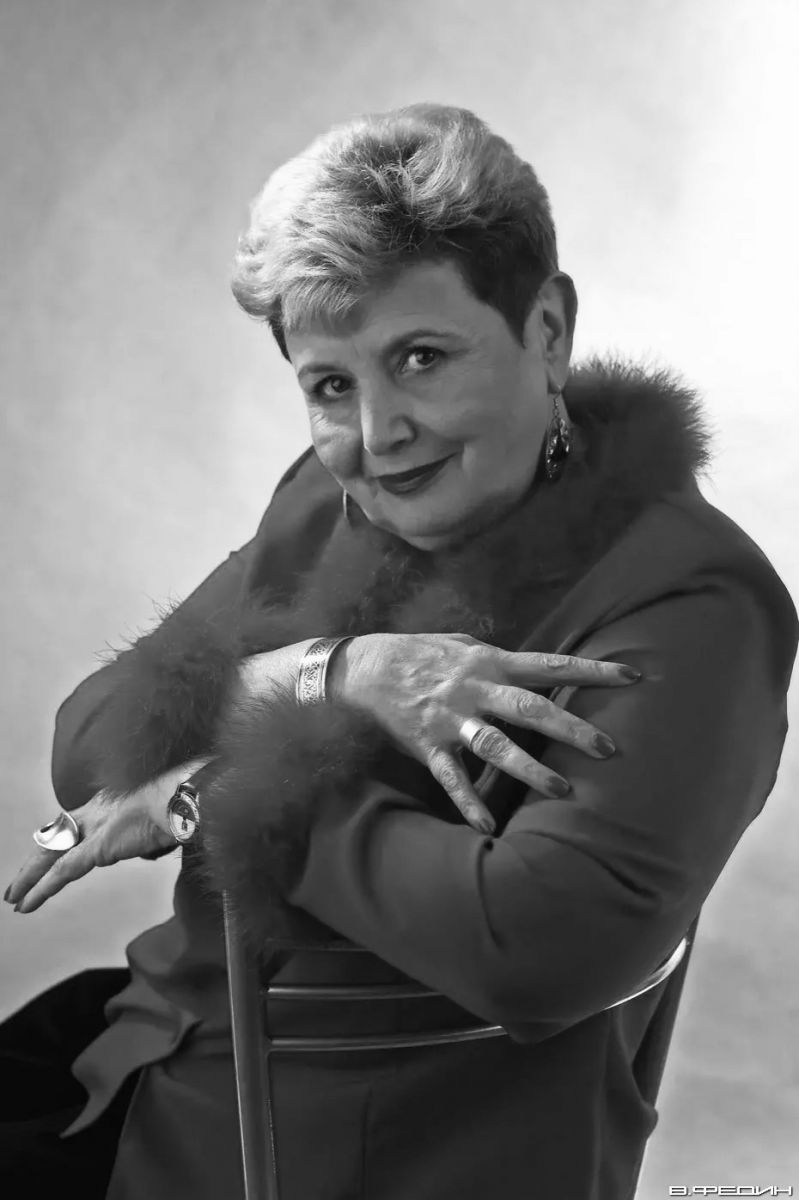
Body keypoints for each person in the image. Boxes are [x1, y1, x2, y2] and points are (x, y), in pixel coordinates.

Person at [2, 102, 797, 1200]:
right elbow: (89, 749)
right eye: (331, 385)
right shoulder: (331, 498)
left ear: (547, 330)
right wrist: (335, 674)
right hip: (153, 1070)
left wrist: (222, 787)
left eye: (420, 358)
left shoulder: (694, 603)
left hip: (378, 1153)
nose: (378, 435)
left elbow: (535, 950)